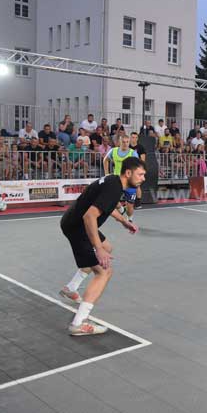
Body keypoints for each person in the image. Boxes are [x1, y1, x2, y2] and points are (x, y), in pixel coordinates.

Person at [58, 156, 144, 335]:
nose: (143, 178)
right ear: (128, 173)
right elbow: (89, 216)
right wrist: (97, 249)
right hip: (78, 227)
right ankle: (79, 323)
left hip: (75, 222)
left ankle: (71, 288)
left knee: (107, 248)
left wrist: (124, 221)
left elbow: (106, 206)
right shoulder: (114, 187)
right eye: (140, 174)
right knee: (104, 271)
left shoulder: (114, 182)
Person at [103, 135, 139, 221]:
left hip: (129, 182)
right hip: (117, 181)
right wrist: (107, 174)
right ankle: (121, 209)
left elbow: (138, 166)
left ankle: (129, 219)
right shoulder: (113, 151)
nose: (125, 144)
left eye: (127, 142)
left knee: (130, 206)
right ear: (120, 142)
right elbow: (105, 160)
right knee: (112, 199)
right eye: (123, 142)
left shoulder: (133, 153)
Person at [129, 132, 146, 208]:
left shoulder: (140, 147)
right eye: (133, 137)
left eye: (136, 137)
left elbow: (143, 160)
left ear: (137, 138)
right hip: (128, 169)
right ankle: (129, 202)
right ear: (130, 138)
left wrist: (140, 169)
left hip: (137, 169)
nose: (134, 139)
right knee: (127, 186)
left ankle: (138, 203)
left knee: (137, 186)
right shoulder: (128, 146)